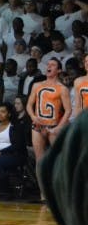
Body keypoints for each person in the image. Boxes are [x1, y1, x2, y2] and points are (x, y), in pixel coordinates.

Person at [27, 57, 72, 198]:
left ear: (58, 70)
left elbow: (68, 110)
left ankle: (61, 190)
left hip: (53, 125)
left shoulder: (62, 89)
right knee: (40, 160)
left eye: (53, 65)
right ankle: (43, 193)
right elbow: (29, 105)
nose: (49, 66)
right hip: (38, 126)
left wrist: (58, 127)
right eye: (48, 64)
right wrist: (34, 118)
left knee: (58, 159)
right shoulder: (37, 85)